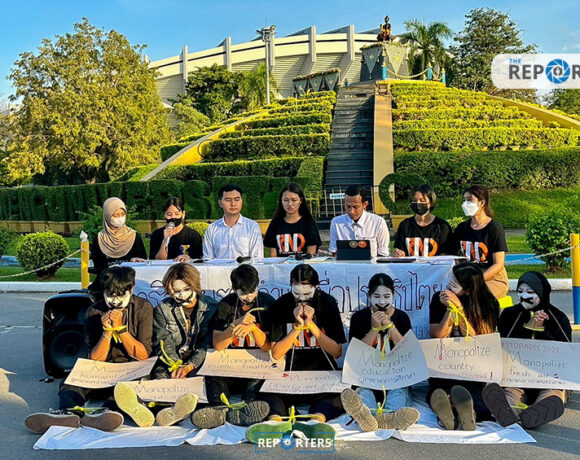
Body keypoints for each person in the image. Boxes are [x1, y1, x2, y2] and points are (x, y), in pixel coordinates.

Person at [25, 266, 153, 434]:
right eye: (110, 295)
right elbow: (94, 359)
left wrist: (121, 330)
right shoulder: (94, 311)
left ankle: (106, 412)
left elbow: (142, 355)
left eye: (120, 295)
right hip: (103, 368)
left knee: (129, 388)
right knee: (71, 380)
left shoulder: (143, 308)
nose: (115, 301)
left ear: (132, 289)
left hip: (131, 367)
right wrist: (107, 333)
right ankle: (68, 412)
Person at [245, 264, 346, 443]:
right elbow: (276, 353)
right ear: (290, 286)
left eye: (307, 294)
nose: (302, 299)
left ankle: (315, 422)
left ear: (316, 287)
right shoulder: (281, 305)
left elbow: (336, 352)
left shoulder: (328, 303)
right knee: (266, 390)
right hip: (289, 374)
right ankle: (274, 423)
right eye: (297, 293)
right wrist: (297, 328)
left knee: (342, 394)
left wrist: (312, 326)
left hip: (320, 373)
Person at [483, 271, 571, 429]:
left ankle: (539, 412)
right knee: (511, 393)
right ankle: (506, 410)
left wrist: (540, 332)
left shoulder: (558, 317)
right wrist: (527, 328)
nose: (524, 296)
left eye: (530, 292)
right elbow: (505, 343)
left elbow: (565, 351)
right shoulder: (510, 314)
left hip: (549, 377)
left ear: (541, 293)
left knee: (551, 393)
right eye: (520, 291)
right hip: (517, 376)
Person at [191, 265, 274, 429]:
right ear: (234, 289)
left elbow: (268, 347)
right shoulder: (226, 304)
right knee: (214, 378)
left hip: (256, 365)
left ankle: (247, 408)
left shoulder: (268, 303)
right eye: (243, 293)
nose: (248, 297)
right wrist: (233, 326)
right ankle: (218, 410)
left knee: (258, 383)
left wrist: (254, 329)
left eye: (252, 292)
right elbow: (218, 345)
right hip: (230, 365)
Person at [342, 273, 420, 431]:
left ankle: (386, 417)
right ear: (369, 296)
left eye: (387, 296)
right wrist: (374, 329)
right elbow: (355, 354)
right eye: (377, 297)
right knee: (364, 393)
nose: (382, 302)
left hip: (396, 374)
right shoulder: (359, 317)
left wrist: (390, 326)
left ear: (394, 295)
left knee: (399, 393)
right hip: (367, 374)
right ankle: (367, 415)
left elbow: (409, 350)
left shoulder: (402, 317)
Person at [427, 262, 499, 430]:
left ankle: (463, 413)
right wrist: (449, 310)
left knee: (480, 399)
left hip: (474, 366)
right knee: (438, 392)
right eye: (450, 280)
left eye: (454, 284)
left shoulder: (488, 303)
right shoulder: (439, 298)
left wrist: (459, 310)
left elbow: (479, 339)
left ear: (468, 290)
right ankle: (449, 411)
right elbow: (437, 334)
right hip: (445, 363)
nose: (448, 286)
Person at [452, 185, 509, 299]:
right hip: (466, 278)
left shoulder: (494, 228)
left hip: (492, 279)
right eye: (464, 200)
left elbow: (498, 264)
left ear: (482, 202)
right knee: (444, 296)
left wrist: (476, 282)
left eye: (469, 200)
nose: (465, 204)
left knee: (473, 297)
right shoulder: (462, 228)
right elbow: (454, 256)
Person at [203, 184, 263, 260]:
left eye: (237, 200)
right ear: (220, 203)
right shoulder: (212, 228)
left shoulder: (252, 227)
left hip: (245, 267)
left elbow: (257, 258)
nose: (233, 204)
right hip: (219, 268)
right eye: (228, 200)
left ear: (241, 201)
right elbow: (208, 259)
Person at [91, 197, 147, 277]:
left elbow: (142, 261)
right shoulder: (100, 239)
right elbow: (98, 266)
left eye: (123, 214)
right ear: (107, 216)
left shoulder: (133, 236)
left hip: (130, 280)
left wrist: (133, 260)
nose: (120, 218)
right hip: (107, 280)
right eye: (116, 215)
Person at [329, 185, 390, 258]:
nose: (351, 211)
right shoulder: (336, 223)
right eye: (348, 206)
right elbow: (334, 251)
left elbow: (383, 253)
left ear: (365, 204)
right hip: (345, 264)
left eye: (356, 207)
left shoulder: (378, 222)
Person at [264, 182, 322, 257]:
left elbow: (310, 255)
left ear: (301, 200)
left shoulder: (309, 223)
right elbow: (273, 256)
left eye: (294, 200)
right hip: (280, 264)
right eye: (286, 200)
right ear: (281, 201)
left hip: (303, 264)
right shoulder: (275, 224)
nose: (290, 204)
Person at [394, 184, 453, 257]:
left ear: (431, 203)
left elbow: (446, 254)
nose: (418, 203)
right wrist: (399, 254)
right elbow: (399, 249)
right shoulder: (405, 225)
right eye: (415, 200)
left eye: (422, 200)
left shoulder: (442, 226)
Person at [149, 197, 203, 262]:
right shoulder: (156, 235)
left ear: (183, 214)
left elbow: (198, 259)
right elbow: (158, 261)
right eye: (169, 214)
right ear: (164, 215)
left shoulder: (193, 235)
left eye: (177, 214)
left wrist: (188, 257)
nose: (173, 217)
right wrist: (165, 241)